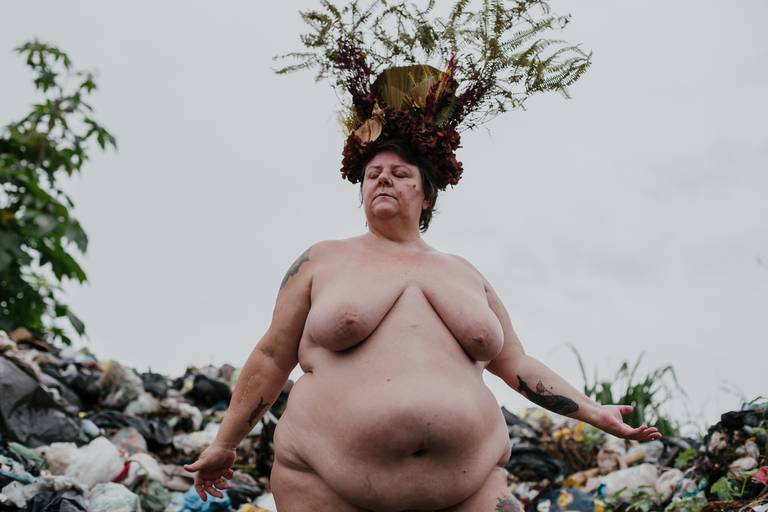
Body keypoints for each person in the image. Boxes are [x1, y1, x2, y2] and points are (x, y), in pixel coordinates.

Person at [184, 34, 661, 511]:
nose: (383, 179)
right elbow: (271, 356)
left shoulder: (465, 274)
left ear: (427, 194)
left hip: (470, 488)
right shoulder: (321, 261)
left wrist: (595, 413)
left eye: (400, 173)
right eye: (373, 174)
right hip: (328, 484)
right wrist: (225, 443)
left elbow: (516, 365)